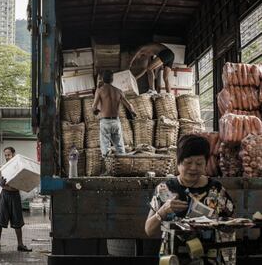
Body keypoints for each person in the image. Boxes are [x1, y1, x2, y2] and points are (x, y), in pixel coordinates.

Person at [145, 134, 235, 264]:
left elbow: (232, 223)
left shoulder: (215, 190)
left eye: (199, 163)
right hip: (174, 258)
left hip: (209, 258)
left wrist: (217, 224)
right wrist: (163, 211)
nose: (193, 168)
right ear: (178, 161)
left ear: (206, 163)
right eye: (188, 162)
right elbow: (149, 230)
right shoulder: (165, 189)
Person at [0, 146, 32, 253]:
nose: (7, 157)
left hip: (15, 195)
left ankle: (20, 245)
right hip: (5, 195)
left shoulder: (19, 168)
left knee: (18, 221)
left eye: (9, 155)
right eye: (5, 155)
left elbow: (23, 181)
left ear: (14, 154)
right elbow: (1, 181)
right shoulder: (2, 167)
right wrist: (1, 182)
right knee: (0, 221)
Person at [92, 70, 137, 157]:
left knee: (105, 149)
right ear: (112, 79)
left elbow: (94, 107)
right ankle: (122, 167)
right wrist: (133, 113)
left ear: (103, 79)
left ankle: (109, 168)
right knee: (120, 147)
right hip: (116, 121)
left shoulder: (100, 91)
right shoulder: (118, 91)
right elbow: (129, 106)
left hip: (105, 121)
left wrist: (96, 111)